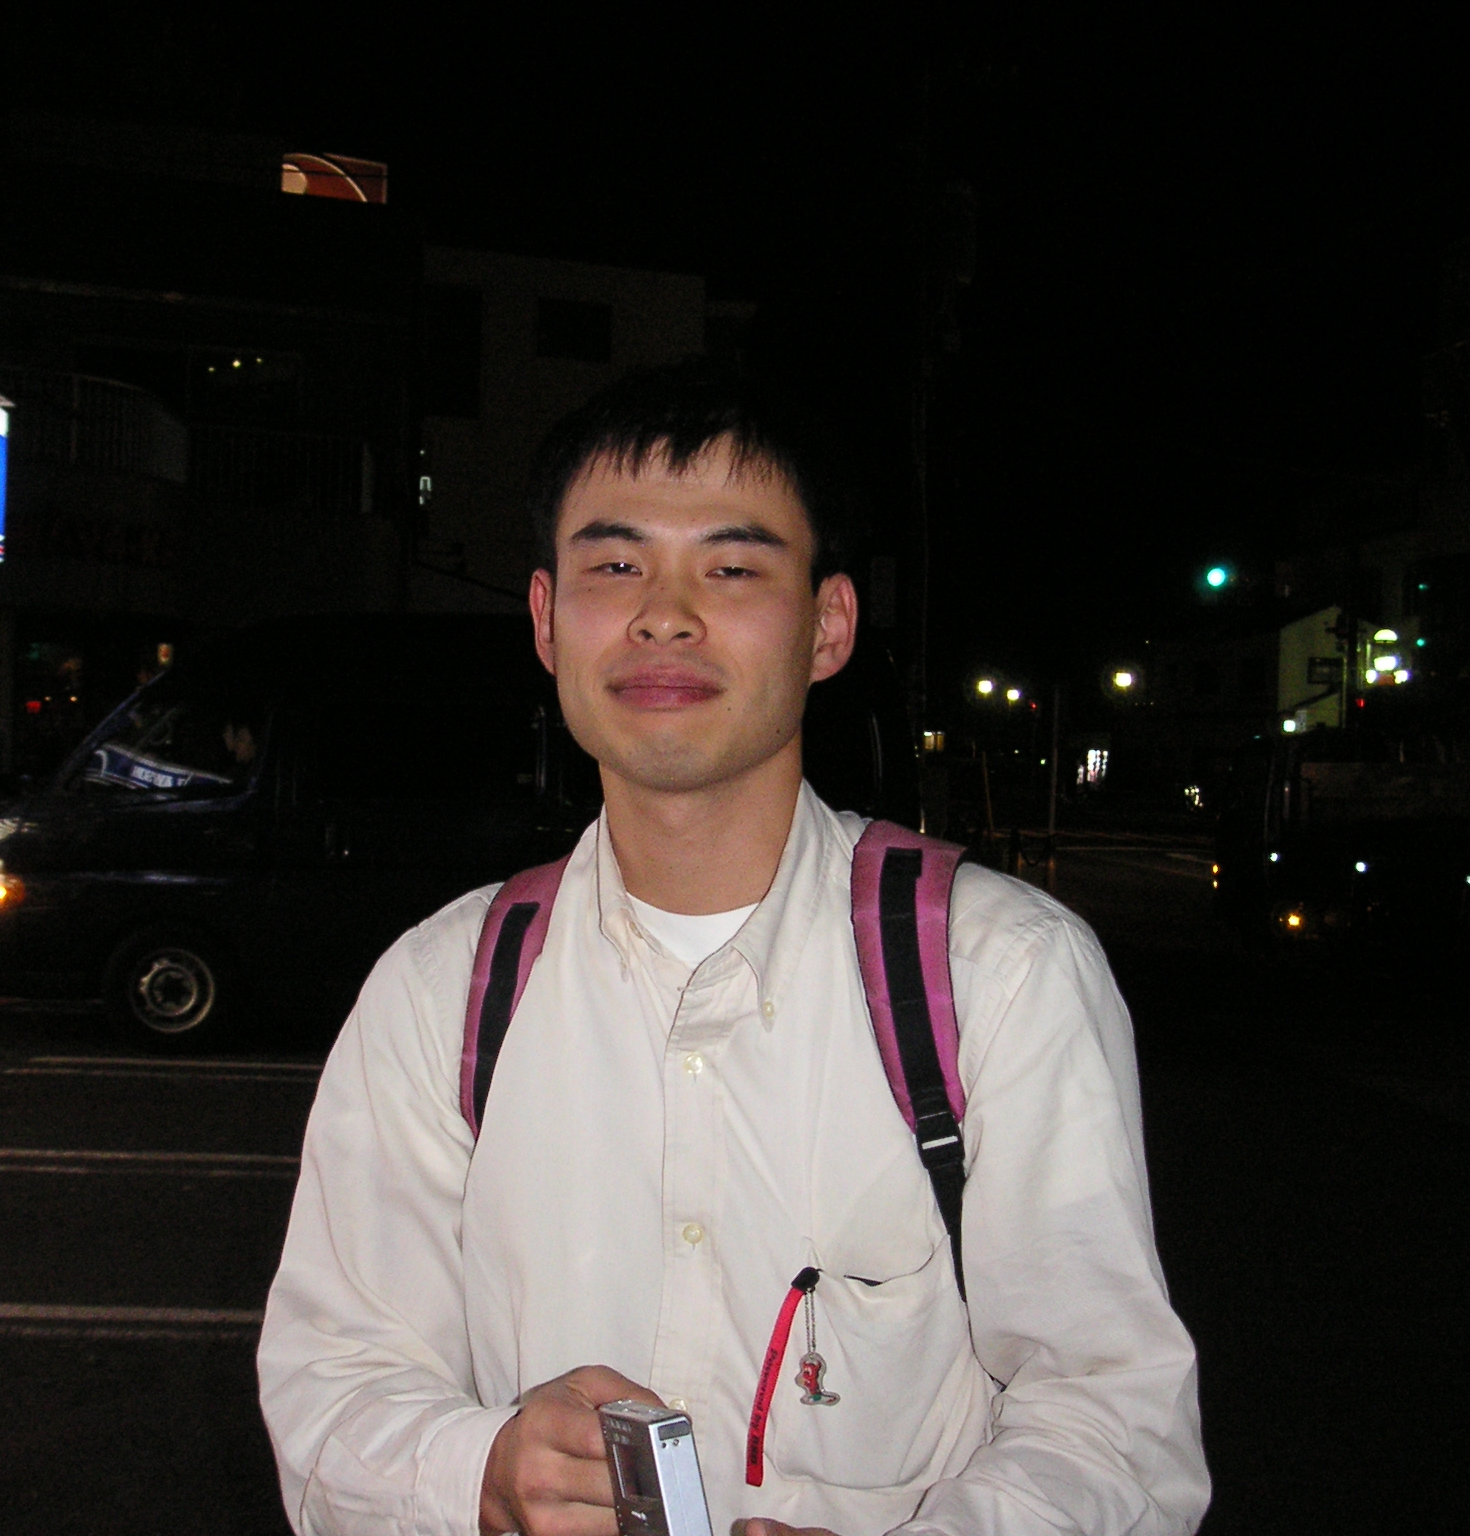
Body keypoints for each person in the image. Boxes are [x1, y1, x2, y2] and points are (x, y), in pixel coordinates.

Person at [258, 362, 1209, 1535]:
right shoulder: (441, 989)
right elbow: (334, 1376)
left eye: (732, 568)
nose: (663, 614)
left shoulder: (996, 973)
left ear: (826, 625)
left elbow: (1114, 1419)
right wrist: (478, 1471)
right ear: (546, 620)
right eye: (615, 567)